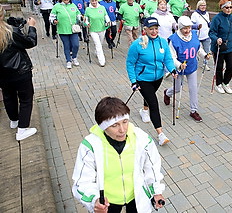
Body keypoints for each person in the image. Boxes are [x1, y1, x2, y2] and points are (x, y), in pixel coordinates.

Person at [72, 97, 166, 213]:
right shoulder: (90, 146)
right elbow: (82, 181)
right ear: (103, 127)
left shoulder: (141, 139)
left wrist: (156, 191)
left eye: (125, 122)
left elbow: (152, 167)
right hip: (107, 202)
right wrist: (94, 200)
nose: (122, 130)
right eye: (114, 125)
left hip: (136, 196)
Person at [126, 17, 177, 146]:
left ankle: (143, 110)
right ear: (145, 30)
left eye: (156, 28)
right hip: (142, 79)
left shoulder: (163, 42)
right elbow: (130, 63)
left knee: (149, 97)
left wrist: (172, 70)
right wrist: (133, 81)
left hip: (158, 78)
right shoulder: (137, 44)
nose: (154, 31)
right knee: (154, 103)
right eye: (151, 29)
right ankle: (160, 134)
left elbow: (168, 59)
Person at [0, 8, 38, 140]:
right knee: (26, 99)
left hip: (3, 74)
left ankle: (14, 121)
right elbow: (30, 42)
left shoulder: (10, 31)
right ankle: (22, 130)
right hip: (19, 71)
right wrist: (32, 27)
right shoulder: (9, 32)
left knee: (8, 96)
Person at [163, 16, 209, 122]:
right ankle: (167, 93)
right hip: (180, 68)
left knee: (193, 89)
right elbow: (172, 57)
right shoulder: (174, 39)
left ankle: (194, 110)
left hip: (192, 66)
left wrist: (204, 55)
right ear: (179, 28)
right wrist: (179, 65)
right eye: (184, 28)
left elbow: (198, 49)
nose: (187, 30)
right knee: (178, 88)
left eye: (189, 28)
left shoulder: (193, 35)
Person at [209, 0, 232, 94]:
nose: (229, 9)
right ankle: (218, 84)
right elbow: (211, 33)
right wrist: (216, 39)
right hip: (219, 47)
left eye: (231, 7)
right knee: (219, 67)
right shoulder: (217, 18)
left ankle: (226, 83)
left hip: (230, 46)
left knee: (231, 66)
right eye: (226, 7)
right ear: (222, 8)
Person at [50, 0, 81, 69]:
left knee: (76, 45)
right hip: (63, 30)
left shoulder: (73, 5)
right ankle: (68, 61)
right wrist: (54, 21)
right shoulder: (57, 6)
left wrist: (81, 18)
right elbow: (51, 17)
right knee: (66, 46)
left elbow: (78, 14)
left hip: (73, 29)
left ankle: (74, 57)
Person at [84, 0, 110, 67]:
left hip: (102, 28)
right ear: (90, 1)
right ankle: (102, 60)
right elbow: (86, 19)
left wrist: (108, 22)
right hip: (93, 30)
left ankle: (96, 52)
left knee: (100, 43)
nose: (94, 2)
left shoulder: (102, 8)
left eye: (95, 0)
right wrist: (87, 23)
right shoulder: (88, 9)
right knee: (98, 44)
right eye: (92, 1)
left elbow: (106, 16)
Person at [191, 0, 211, 70]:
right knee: (196, 50)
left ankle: (205, 64)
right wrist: (197, 26)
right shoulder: (195, 14)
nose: (203, 7)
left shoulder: (206, 14)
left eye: (204, 5)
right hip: (198, 36)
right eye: (201, 5)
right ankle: (195, 62)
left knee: (207, 50)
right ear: (198, 6)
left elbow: (208, 23)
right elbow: (191, 25)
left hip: (206, 35)